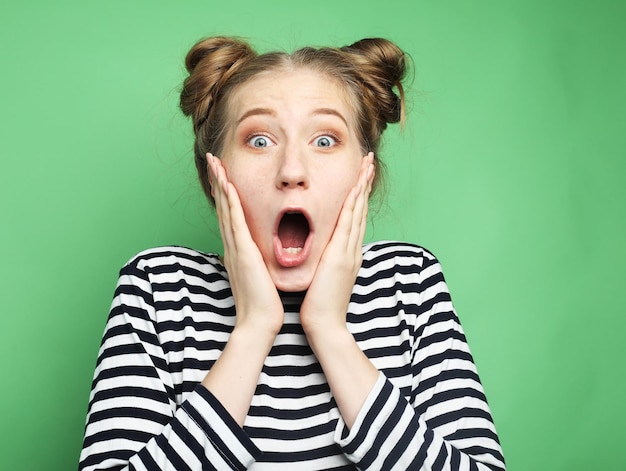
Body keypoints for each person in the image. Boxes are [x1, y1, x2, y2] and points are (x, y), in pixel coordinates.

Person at [79, 36, 506, 470]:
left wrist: (328, 330)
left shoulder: (408, 281)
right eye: (259, 140)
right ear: (214, 174)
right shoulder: (158, 288)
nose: (292, 172)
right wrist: (253, 328)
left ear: (366, 172)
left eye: (324, 140)